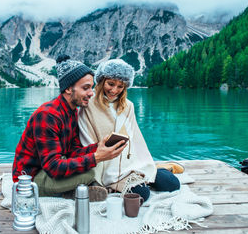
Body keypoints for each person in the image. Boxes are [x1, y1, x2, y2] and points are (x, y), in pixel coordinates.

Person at [12, 55, 127, 200]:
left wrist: (98, 148)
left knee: (94, 164)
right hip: (30, 180)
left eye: (91, 87)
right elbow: (53, 167)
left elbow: (73, 151)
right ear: (68, 89)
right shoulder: (48, 115)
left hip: (48, 169)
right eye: (85, 88)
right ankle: (72, 193)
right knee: (90, 172)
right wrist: (96, 157)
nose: (91, 93)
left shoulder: (72, 111)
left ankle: (73, 190)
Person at [79, 59, 180, 201]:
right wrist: (97, 175)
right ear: (101, 81)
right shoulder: (89, 105)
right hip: (106, 164)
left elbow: (135, 138)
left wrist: (145, 164)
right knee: (142, 194)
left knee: (172, 184)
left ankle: (159, 168)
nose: (114, 90)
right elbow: (86, 139)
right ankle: (119, 182)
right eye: (111, 84)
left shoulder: (128, 106)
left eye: (120, 86)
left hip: (129, 162)